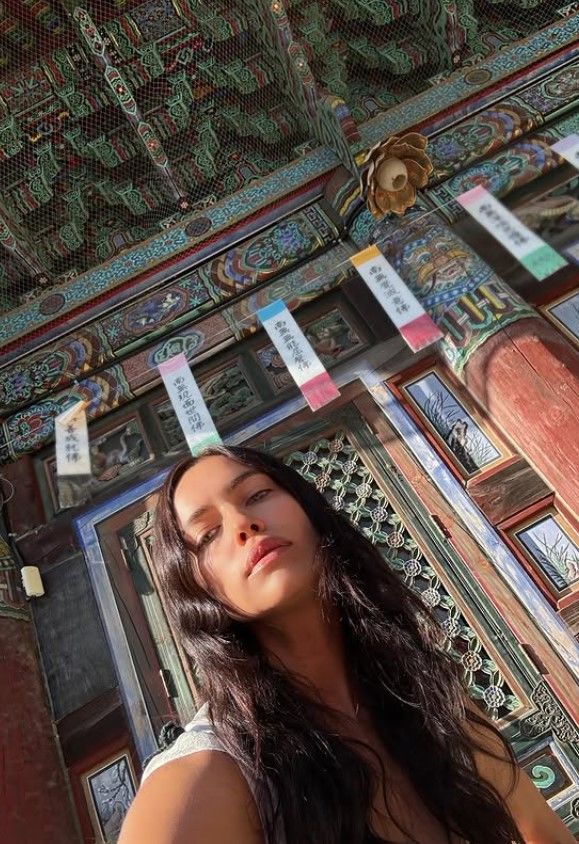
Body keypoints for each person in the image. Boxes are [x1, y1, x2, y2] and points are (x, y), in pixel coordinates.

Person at [120, 445, 574, 844]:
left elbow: (539, 829)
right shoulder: (214, 774)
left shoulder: (424, 692)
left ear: (310, 511)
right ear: (197, 591)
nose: (243, 523)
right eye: (207, 534)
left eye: (256, 495)